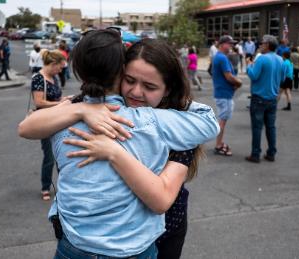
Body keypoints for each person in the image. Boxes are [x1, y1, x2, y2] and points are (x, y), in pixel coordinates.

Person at [19, 31, 219, 259]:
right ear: (119, 72)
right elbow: (209, 121)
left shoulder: (65, 117)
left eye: (150, 86)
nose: (135, 92)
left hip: (82, 242)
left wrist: (111, 149)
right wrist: (81, 108)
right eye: (130, 80)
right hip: (133, 246)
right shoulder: (157, 122)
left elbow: (27, 126)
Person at [31, 50, 71, 201]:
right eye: (59, 67)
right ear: (53, 64)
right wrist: (60, 103)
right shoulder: (38, 78)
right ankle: (45, 187)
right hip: (45, 122)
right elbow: (39, 102)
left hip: (58, 120)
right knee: (49, 156)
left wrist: (64, 99)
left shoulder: (54, 77)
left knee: (61, 154)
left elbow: (57, 97)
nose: (61, 70)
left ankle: (65, 187)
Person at [245, 35, 285, 163]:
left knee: (257, 128)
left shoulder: (262, 59)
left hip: (259, 98)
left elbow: (254, 76)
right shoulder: (280, 60)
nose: (260, 45)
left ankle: (255, 154)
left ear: (267, 45)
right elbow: (282, 79)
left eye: (262, 43)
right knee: (271, 127)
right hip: (273, 98)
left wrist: (248, 65)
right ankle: (271, 153)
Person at [211, 35, 243, 156]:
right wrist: (238, 82)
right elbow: (228, 76)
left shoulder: (219, 57)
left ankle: (218, 143)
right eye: (229, 43)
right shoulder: (222, 58)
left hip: (222, 93)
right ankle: (218, 145)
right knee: (222, 122)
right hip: (224, 94)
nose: (231, 46)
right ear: (222, 44)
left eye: (232, 43)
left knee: (222, 120)